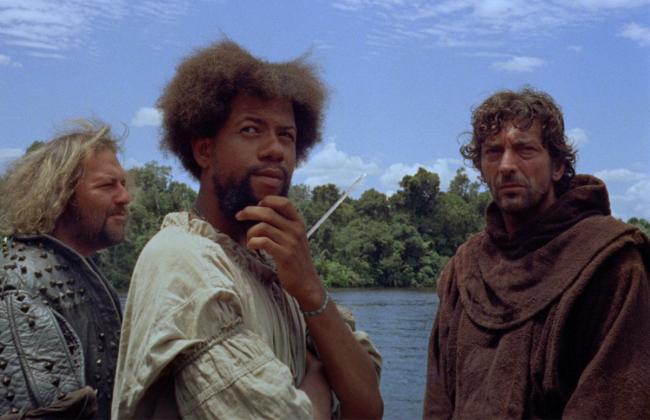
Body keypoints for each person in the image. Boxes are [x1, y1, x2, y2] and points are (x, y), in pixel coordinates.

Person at [112, 40, 383, 419]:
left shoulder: (278, 271)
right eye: (251, 129)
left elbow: (368, 406)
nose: (275, 149)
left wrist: (310, 289)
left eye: (286, 135)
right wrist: (320, 377)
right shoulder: (183, 261)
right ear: (204, 151)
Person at [423, 87, 650, 419]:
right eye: (493, 152)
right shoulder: (465, 269)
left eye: (525, 150)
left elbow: (614, 404)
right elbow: (438, 402)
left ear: (557, 165)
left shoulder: (610, 263)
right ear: (481, 167)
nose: (506, 165)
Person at [0, 120, 130, 419]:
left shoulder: (82, 272)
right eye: (108, 185)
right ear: (62, 194)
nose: (125, 197)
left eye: (123, 184)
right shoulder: (19, 285)